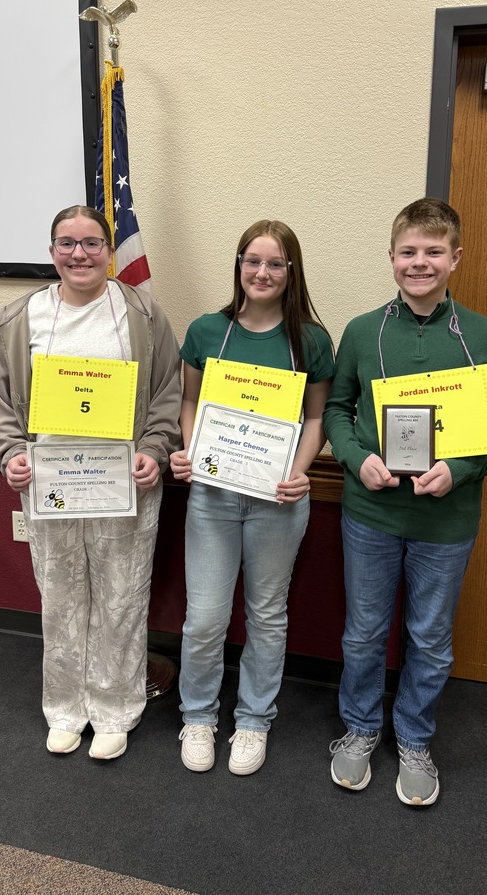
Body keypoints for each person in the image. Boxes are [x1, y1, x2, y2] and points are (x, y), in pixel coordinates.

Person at [324, 197, 487, 806]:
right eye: (409, 252)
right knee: (363, 633)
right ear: (391, 259)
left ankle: (414, 737)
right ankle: (359, 730)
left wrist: (462, 469)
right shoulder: (362, 331)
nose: (421, 263)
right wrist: (358, 459)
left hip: (448, 521)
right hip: (372, 514)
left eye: (433, 252)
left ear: (455, 259)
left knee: (431, 638)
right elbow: (337, 410)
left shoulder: (486, 336)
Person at [0, 205, 181, 760]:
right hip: (51, 483)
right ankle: (66, 709)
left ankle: (116, 709)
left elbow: (167, 390)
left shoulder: (141, 312)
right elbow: (0, 400)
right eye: (67, 244)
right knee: (62, 597)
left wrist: (154, 450)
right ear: (51, 252)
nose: (79, 254)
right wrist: (12, 456)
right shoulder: (20, 317)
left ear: (109, 250)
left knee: (122, 594)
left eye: (92, 243)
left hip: (126, 482)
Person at [169, 220, 334, 776]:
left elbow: (316, 417)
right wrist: (190, 451)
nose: (262, 273)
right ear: (238, 265)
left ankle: (254, 721)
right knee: (206, 617)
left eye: (276, 263)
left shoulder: (309, 340)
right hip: (213, 495)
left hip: (278, 500)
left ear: (292, 272)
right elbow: (188, 405)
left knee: (267, 616)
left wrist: (298, 470)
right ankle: (198, 716)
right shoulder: (206, 331)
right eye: (252, 260)